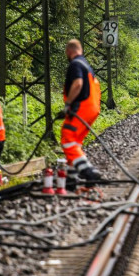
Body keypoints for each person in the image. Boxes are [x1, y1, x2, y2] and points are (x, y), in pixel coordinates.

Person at [59, 39, 102, 186]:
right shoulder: (86, 65)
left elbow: (78, 84)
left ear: (69, 51)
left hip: (82, 108)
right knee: (75, 142)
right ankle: (72, 178)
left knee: (67, 138)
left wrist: (68, 105)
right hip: (93, 109)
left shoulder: (75, 64)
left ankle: (88, 172)